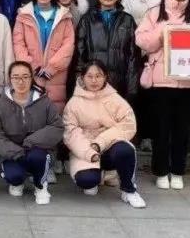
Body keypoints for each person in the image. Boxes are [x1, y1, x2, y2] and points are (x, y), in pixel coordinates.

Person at [135, 0, 190, 189]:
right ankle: (160, 171)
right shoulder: (154, 13)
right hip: (161, 79)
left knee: (182, 129)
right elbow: (141, 41)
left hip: (189, 81)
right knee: (161, 128)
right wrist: (162, 32)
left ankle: (178, 171)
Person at [63, 60, 146, 207]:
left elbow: (128, 124)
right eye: (90, 76)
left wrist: (100, 142)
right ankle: (98, 175)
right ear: (82, 78)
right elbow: (71, 133)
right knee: (87, 181)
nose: (94, 80)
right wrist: (89, 152)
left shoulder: (115, 99)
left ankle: (129, 190)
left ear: (105, 77)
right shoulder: (73, 103)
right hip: (86, 150)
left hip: (109, 144)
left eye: (98, 76)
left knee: (125, 150)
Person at [0, 61, 64, 204]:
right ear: (10, 79)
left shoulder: (44, 101)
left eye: (25, 77)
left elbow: (57, 126)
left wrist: (30, 142)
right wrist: (16, 151)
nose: (20, 81)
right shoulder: (1, 104)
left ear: (31, 78)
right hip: (12, 154)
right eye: (16, 77)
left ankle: (40, 185)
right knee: (14, 176)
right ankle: (17, 182)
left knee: (37, 156)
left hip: (38, 149)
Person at [13, 0, 75, 112]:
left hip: (57, 74)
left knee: (55, 112)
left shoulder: (64, 15)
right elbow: (18, 44)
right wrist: (33, 67)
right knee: (31, 112)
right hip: (31, 74)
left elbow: (68, 45)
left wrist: (51, 68)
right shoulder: (23, 15)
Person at [74, 0, 139, 100]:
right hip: (93, 82)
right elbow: (79, 55)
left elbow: (133, 57)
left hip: (119, 84)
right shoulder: (86, 20)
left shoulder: (127, 20)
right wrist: (80, 83)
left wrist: (132, 88)